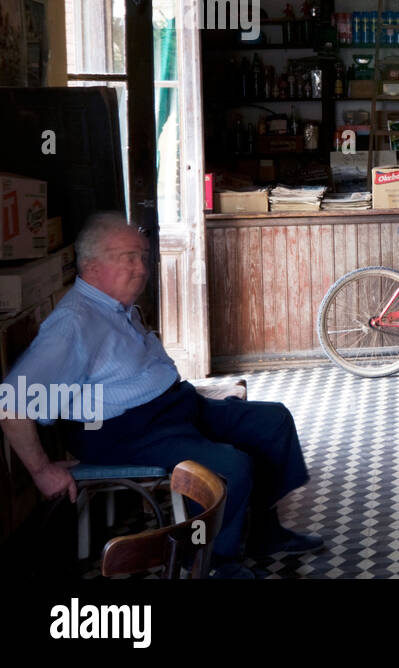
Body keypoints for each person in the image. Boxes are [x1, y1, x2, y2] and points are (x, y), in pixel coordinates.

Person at [0, 212, 322, 578]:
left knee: (271, 422)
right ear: (91, 266)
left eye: (143, 256)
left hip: (174, 408)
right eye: (129, 258)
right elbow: (12, 401)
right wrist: (41, 470)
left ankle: (264, 532)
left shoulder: (113, 306)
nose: (141, 268)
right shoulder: (73, 323)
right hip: (124, 431)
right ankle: (211, 563)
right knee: (229, 466)